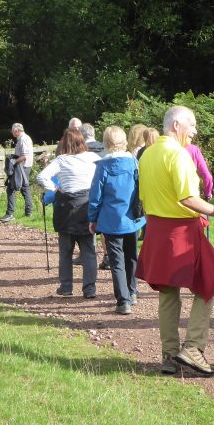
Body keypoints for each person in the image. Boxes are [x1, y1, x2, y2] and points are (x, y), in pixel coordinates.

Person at [136, 106, 214, 376]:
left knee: (168, 292)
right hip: (181, 230)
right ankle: (194, 348)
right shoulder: (178, 154)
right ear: (176, 125)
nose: (195, 132)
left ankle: (169, 355)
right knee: (212, 279)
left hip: (157, 230)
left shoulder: (147, 153)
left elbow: (143, 197)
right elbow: (188, 198)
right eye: (193, 125)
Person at [88, 126, 146, 314]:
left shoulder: (103, 166)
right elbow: (141, 190)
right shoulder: (134, 163)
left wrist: (92, 218)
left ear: (106, 142)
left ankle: (123, 301)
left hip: (111, 220)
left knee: (117, 260)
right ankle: (132, 291)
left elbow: (95, 196)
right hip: (132, 218)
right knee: (131, 256)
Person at [38, 129, 101, 298]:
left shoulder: (61, 160)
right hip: (87, 206)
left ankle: (66, 286)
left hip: (65, 207)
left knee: (65, 251)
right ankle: (90, 289)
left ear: (64, 143)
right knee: (88, 250)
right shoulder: (93, 158)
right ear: (82, 141)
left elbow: (42, 177)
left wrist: (55, 189)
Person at [0, 123, 34, 222]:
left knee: (11, 187)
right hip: (24, 166)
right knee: (24, 188)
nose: (11, 132)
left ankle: (10, 214)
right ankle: (28, 212)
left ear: (16, 131)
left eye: (12, 130)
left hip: (22, 167)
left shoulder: (23, 139)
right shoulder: (23, 138)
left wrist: (13, 162)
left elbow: (24, 156)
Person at [186, 136, 213, 200]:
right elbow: (207, 176)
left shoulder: (167, 149)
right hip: (191, 193)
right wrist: (208, 194)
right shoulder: (193, 149)